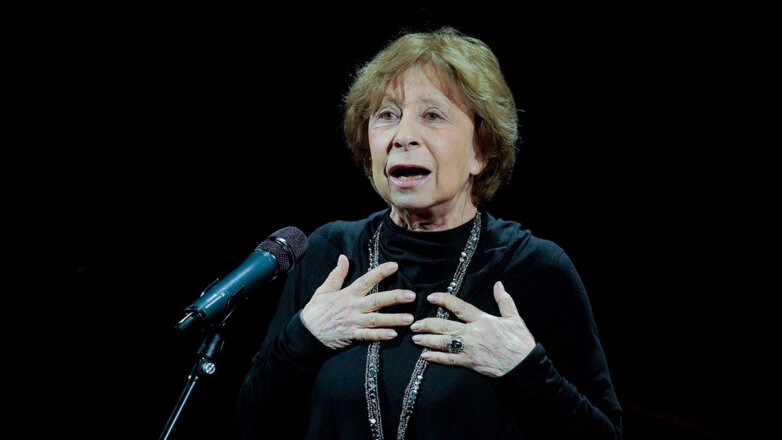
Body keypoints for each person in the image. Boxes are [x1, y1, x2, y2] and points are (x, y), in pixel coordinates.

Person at [237, 27, 622, 439]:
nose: (403, 137)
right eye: (387, 116)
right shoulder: (330, 253)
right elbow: (251, 425)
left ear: (481, 151)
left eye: (433, 115)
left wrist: (524, 367)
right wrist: (305, 337)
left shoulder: (535, 269)